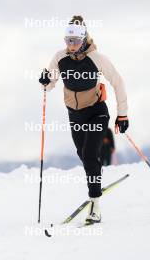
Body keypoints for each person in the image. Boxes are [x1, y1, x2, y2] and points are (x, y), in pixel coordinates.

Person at [39, 15, 129, 224]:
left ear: (84, 39)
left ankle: (95, 204)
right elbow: (49, 82)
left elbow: (118, 82)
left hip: (97, 111)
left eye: (75, 41)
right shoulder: (59, 58)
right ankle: (94, 174)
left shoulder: (97, 58)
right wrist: (44, 80)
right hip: (75, 115)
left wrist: (122, 114)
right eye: (68, 41)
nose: (71, 46)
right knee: (83, 155)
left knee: (89, 154)